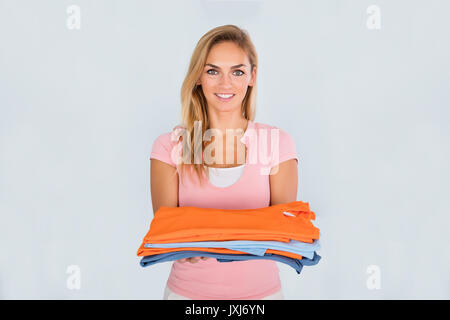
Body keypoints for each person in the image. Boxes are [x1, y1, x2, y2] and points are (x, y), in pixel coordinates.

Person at [150, 24, 299, 300]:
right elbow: (168, 234)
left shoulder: (277, 143)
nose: (225, 83)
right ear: (198, 77)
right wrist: (247, 232)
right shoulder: (170, 146)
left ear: (252, 77)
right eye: (212, 71)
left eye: (238, 71)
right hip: (187, 297)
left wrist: (203, 233)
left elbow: (282, 233)